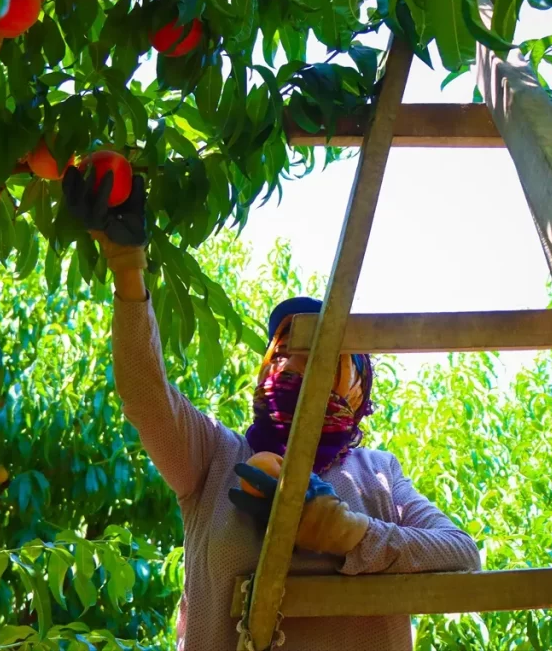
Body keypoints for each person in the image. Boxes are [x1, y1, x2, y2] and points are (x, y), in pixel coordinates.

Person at [63, 168, 481, 651]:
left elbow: (459, 552)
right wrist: (127, 267)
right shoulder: (214, 457)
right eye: (287, 349)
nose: (300, 362)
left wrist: (350, 533)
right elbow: (144, 394)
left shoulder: (379, 474)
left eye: (328, 355)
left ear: (360, 392)